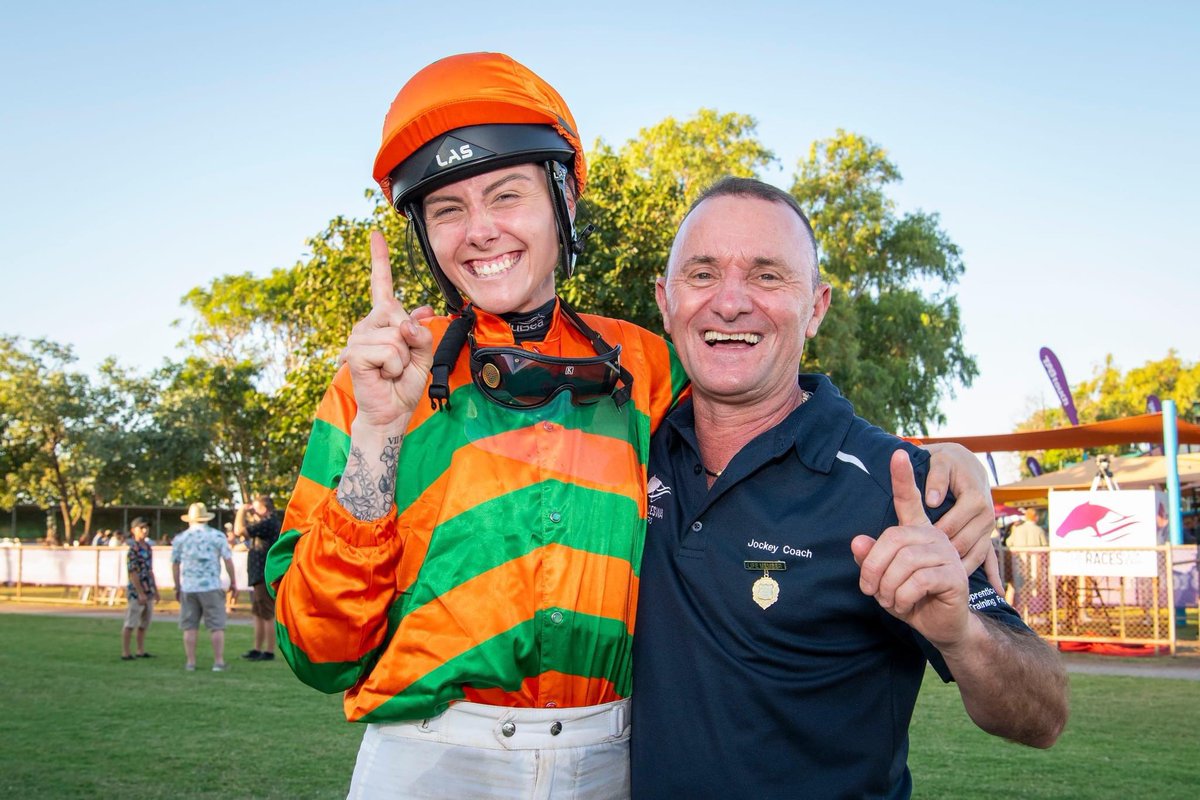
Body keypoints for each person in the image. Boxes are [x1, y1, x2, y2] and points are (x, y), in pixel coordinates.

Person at [269, 53, 998, 799]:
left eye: (506, 195)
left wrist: (952, 458)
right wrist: (377, 438)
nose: (480, 231)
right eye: (447, 209)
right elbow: (318, 652)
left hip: (610, 761)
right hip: (428, 761)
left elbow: (773, 401)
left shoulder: (647, 364)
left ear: (563, 202)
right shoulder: (373, 383)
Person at [630, 178, 1069, 799]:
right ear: (665, 300)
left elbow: (1043, 715)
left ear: (816, 307)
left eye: (767, 276)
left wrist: (961, 634)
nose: (729, 303)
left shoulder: (901, 486)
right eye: (702, 274)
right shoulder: (624, 449)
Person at [172, 502, 238, 672]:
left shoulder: (181, 538)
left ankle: (191, 662)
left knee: (190, 626)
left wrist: (177, 586)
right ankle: (218, 661)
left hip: (189, 587)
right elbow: (228, 560)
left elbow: (175, 564)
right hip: (211, 586)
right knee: (216, 626)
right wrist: (233, 582)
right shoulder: (217, 536)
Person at [236, 494, 280, 661]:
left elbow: (239, 531)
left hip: (263, 574)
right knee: (258, 613)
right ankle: (257, 648)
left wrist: (241, 511)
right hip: (259, 574)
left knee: (267, 613)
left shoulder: (268, 523)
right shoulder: (268, 523)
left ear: (263, 508)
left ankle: (268, 651)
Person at [121, 517, 158, 660]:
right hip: (137, 591)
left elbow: (150, 570)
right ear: (133, 530)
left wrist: (155, 589)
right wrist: (140, 592)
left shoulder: (148, 548)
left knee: (144, 622)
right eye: (141, 528)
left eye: (146, 527)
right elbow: (133, 572)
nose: (145, 530)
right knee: (131, 622)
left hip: (148, 589)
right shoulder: (133, 550)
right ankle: (125, 652)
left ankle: (140, 650)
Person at [1006, 506, 1049, 612]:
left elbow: (1008, 542)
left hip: (1019, 562)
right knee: (1033, 586)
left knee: (1017, 586)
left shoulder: (1018, 529)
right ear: (1035, 517)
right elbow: (1045, 545)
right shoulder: (1038, 530)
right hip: (1034, 563)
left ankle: (1015, 609)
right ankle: (1032, 611)